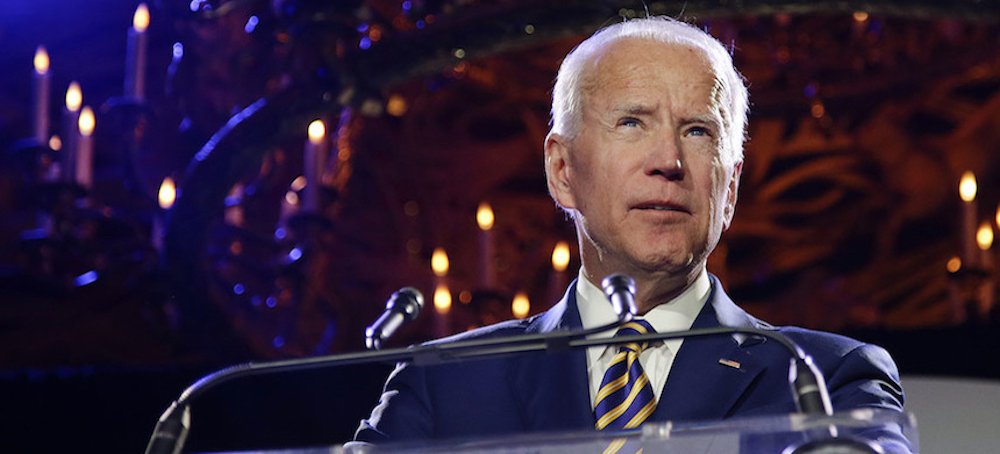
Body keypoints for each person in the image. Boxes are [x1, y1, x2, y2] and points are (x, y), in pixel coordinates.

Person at [353, 16, 905, 446]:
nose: (668, 160)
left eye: (697, 131)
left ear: (729, 188)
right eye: (632, 123)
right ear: (562, 171)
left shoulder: (828, 380)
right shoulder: (447, 383)